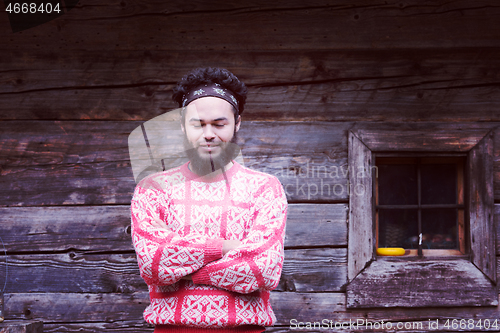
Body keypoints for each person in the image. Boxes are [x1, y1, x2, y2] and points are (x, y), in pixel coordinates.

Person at [130, 67, 288, 333]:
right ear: (182, 125)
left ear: (237, 123)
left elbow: (264, 269)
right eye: (197, 124)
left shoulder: (265, 188)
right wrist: (225, 247)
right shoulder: (153, 189)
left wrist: (186, 270)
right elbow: (153, 263)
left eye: (219, 123)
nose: (208, 134)